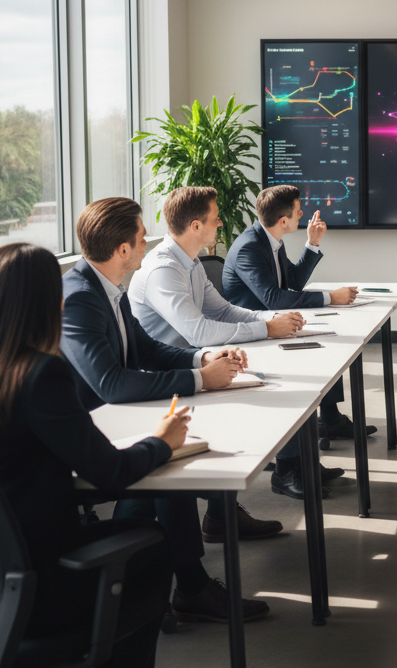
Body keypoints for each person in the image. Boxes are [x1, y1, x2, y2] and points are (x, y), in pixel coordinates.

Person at [0, 242, 187, 668]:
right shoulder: (39, 375)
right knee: (153, 544)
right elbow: (111, 472)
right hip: (36, 590)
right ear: (44, 304)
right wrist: (163, 442)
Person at [62, 197, 279, 624]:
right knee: (168, 464)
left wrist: (204, 360)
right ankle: (189, 586)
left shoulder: (110, 286)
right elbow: (110, 384)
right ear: (122, 249)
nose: (148, 243)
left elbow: (146, 349)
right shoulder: (81, 297)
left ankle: (158, 580)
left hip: (118, 418)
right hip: (92, 430)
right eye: (142, 237)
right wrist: (202, 380)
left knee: (171, 456)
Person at [128, 186, 343, 500]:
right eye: (215, 218)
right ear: (195, 226)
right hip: (172, 373)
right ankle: (284, 473)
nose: (220, 223)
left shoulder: (190, 262)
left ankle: (299, 465)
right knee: (280, 382)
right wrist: (266, 329)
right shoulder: (164, 269)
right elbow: (198, 332)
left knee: (291, 373)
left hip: (196, 359)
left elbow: (224, 310)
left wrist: (269, 321)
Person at [221, 184, 377, 448]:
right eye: (298, 210)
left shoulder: (271, 240)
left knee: (329, 339)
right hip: (253, 329)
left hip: (275, 320)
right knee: (322, 345)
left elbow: (293, 282)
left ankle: (330, 419)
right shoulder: (250, 247)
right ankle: (312, 430)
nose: (302, 213)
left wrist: (312, 243)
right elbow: (273, 299)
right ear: (283, 221)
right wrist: (330, 297)